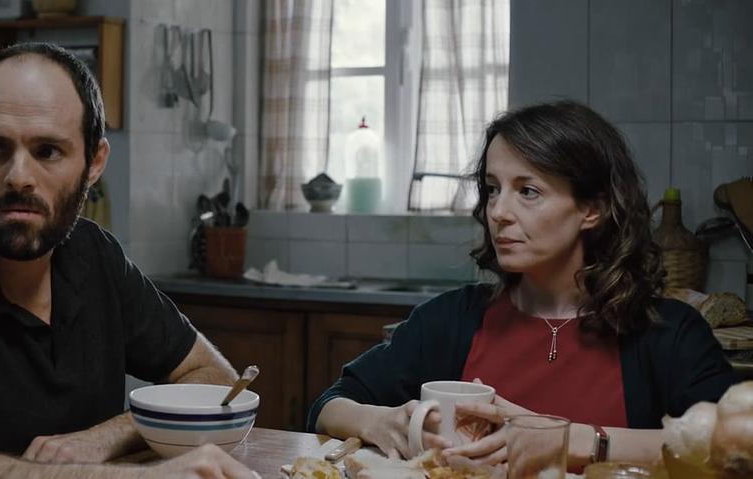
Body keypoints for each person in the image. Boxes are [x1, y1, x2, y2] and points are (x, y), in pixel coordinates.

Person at [0, 42, 254, 478]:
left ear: (94, 162)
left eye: (47, 151)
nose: (19, 176)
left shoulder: (95, 256)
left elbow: (217, 379)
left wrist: (108, 435)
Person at [308, 101, 739, 469]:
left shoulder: (670, 333)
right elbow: (329, 405)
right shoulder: (449, 319)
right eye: (493, 189)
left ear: (592, 208)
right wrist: (381, 422)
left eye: (528, 191)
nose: (498, 212)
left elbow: (734, 446)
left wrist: (570, 440)